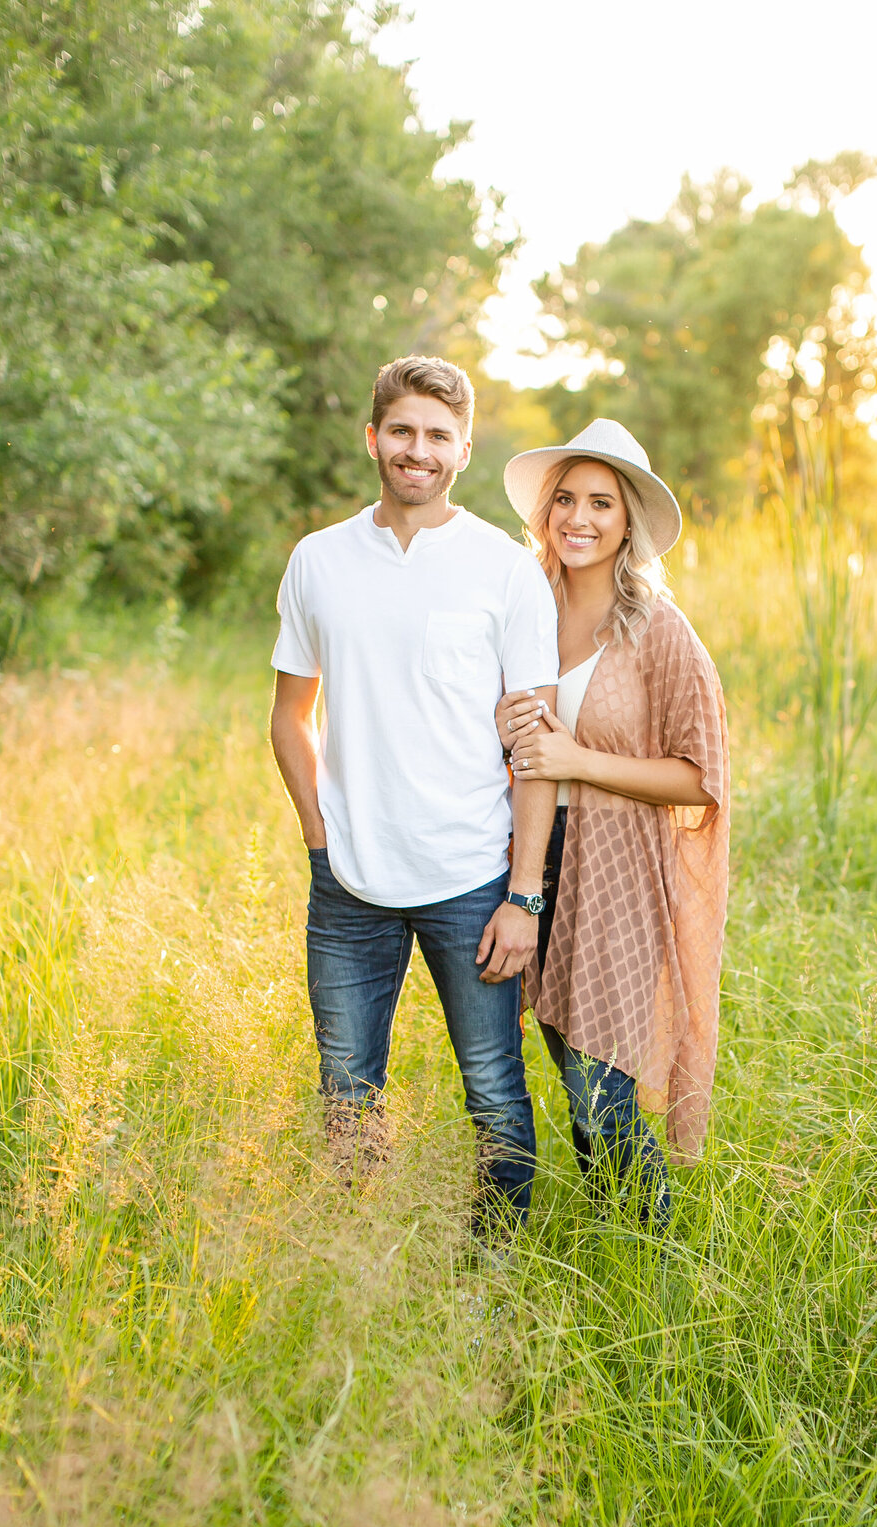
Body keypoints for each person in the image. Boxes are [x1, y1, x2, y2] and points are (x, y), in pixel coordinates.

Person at [269, 355, 559, 1238]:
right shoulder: (319, 560)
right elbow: (290, 716)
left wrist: (523, 895)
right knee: (346, 1091)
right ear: (373, 438)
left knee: (495, 1093)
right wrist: (322, 835)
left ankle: (494, 1271)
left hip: (472, 877)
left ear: (464, 449)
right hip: (348, 884)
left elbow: (537, 754)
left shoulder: (505, 571)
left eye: (438, 435)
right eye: (402, 430)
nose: (417, 449)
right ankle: (363, 1265)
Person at [498, 419, 729, 1229]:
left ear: (628, 520)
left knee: (602, 1090)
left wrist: (578, 761)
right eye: (565, 498)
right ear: (544, 512)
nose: (580, 517)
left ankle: (658, 1257)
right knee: (568, 1071)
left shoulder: (658, 630)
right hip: (521, 860)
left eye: (601, 501)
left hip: (617, 872)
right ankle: (613, 1242)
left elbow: (703, 780)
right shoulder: (517, 604)